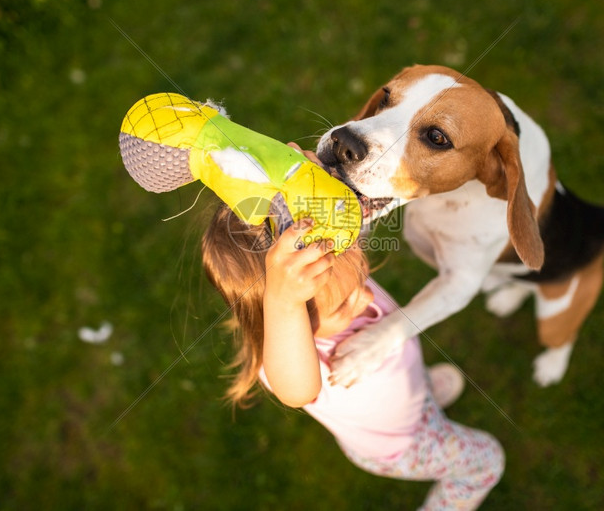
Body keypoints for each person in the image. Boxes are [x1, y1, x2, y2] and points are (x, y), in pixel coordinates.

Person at [201, 203, 505, 510]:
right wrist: (283, 302)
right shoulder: (294, 360)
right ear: (291, 320)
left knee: (416, 381)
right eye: (343, 303)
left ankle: (424, 397)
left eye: (363, 273)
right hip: (402, 444)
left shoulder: (330, 277)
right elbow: (296, 392)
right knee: (488, 460)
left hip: (404, 402)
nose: (367, 297)